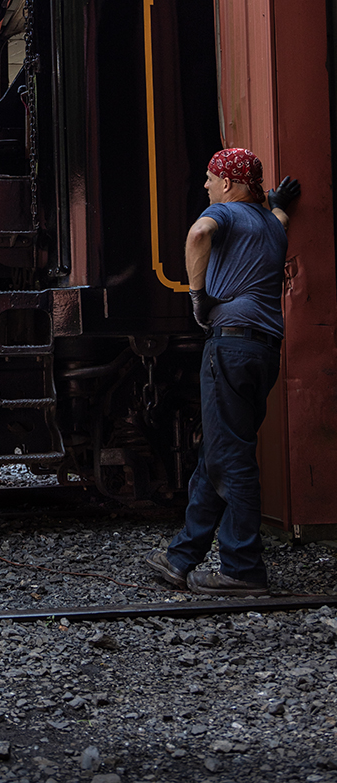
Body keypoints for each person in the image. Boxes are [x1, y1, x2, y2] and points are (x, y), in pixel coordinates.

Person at [146, 148, 300, 597]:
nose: (207, 187)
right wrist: (275, 204)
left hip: (230, 345)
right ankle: (182, 558)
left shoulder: (225, 215)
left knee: (230, 457)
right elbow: (277, 220)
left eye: (212, 179)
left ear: (230, 186)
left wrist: (198, 297)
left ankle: (242, 569)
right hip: (262, 351)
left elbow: (199, 233)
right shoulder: (272, 224)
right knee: (217, 452)